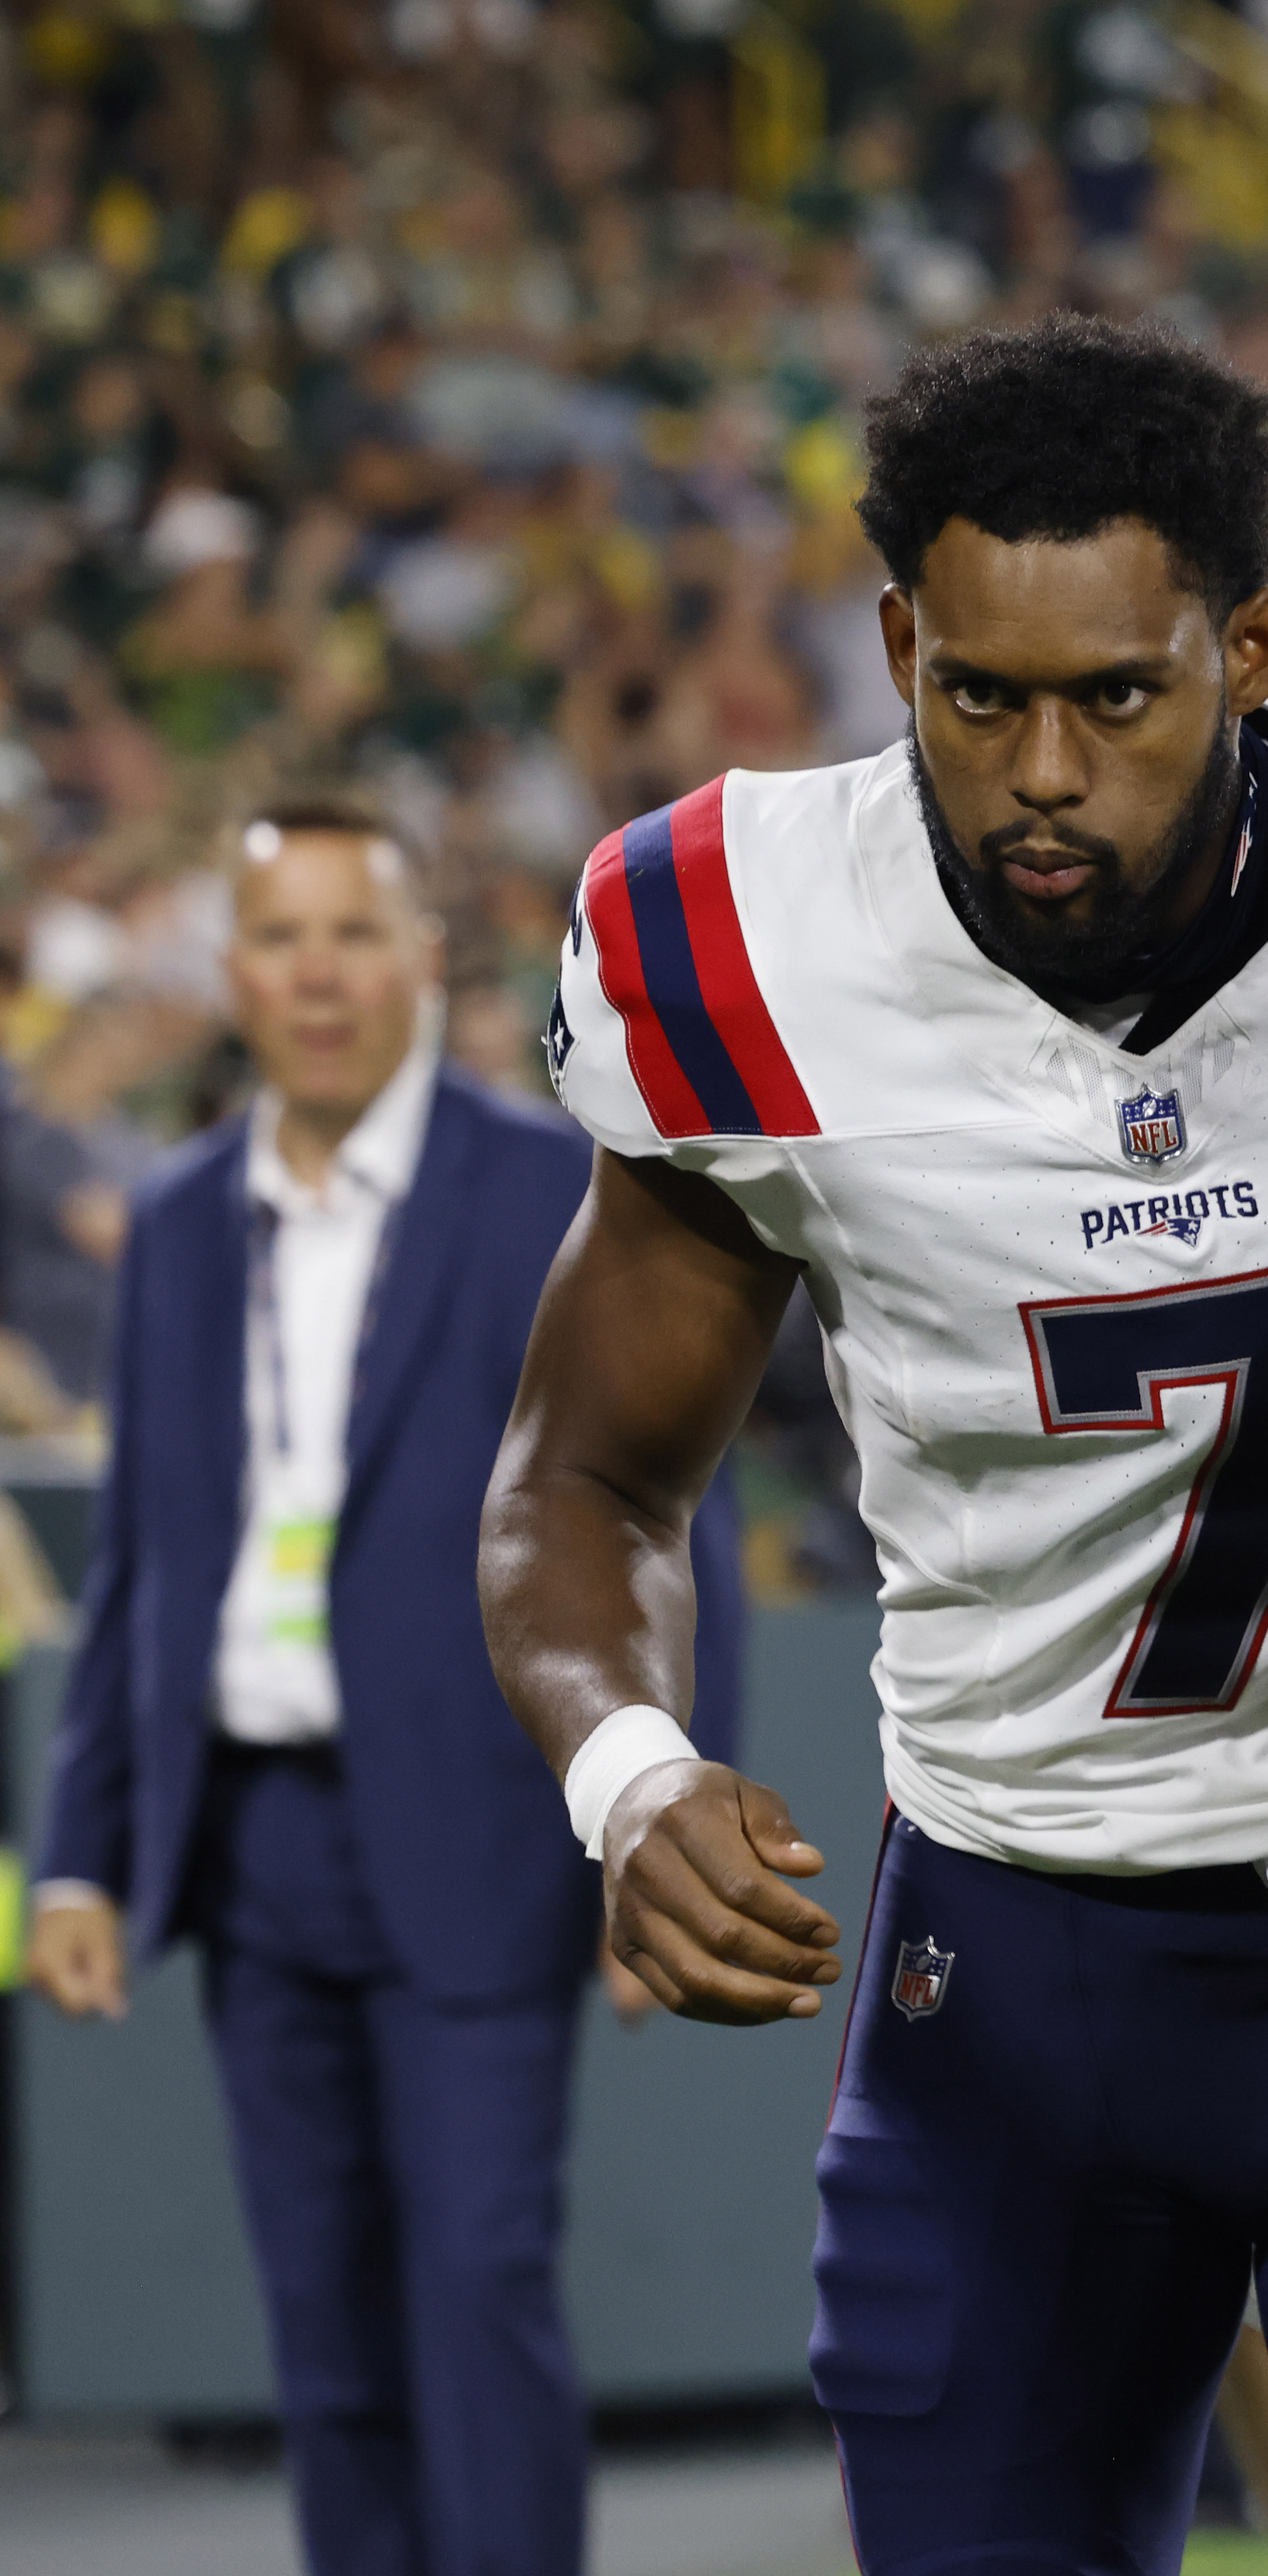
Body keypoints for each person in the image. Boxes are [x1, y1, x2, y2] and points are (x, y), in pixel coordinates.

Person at [473, 317, 1268, 2575]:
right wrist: (623, 1771)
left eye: (1117, 698)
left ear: (1251, 651)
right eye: (977, 694)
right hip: (1002, 1961)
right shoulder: (732, 931)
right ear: (899, 643)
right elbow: (581, 1484)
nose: (1042, 769)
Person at [30, 796, 744, 2576]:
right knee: (325, 2335)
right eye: (283, 939)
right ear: (234, 975)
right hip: (252, 1849)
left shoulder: (550, 1190)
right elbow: (139, 1566)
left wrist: (645, 1831)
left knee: (479, 2288)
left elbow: (661, 1512)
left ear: (425, 959)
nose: (321, 974)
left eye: (357, 934)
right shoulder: (182, 1218)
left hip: (486, 1832)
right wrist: (78, 1856)